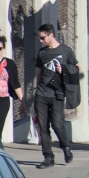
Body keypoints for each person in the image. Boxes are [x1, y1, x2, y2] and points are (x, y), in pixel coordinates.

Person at [34, 24, 77, 169]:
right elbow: (39, 73)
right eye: (40, 38)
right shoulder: (42, 52)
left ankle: (66, 147)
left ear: (51, 35)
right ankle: (48, 157)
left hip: (57, 94)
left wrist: (63, 70)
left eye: (42, 37)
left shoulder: (66, 51)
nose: (41, 40)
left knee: (57, 124)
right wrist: (37, 88)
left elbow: (77, 69)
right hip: (41, 93)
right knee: (43, 127)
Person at [0, 37, 23, 139]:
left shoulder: (9, 64)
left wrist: (22, 101)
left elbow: (16, 83)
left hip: (2, 100)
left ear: (3, 49)